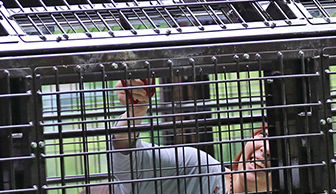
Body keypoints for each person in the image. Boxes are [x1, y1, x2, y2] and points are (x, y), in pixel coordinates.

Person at [105, 80, 270, 194]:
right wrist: (135, 114)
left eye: (277, 145)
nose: (266, 148)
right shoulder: (197, 166)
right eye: (264, 135)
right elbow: (131, 163)